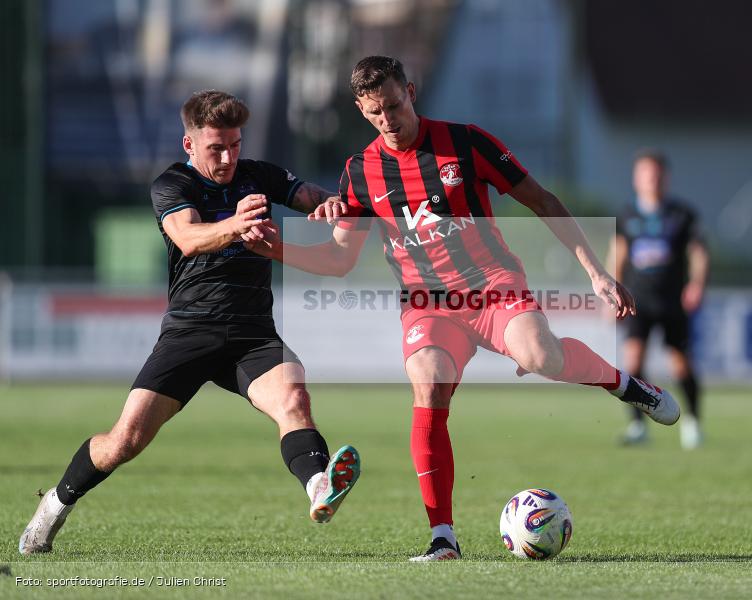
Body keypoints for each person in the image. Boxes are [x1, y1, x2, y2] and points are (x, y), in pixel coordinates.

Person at [243, 56, 679, 561]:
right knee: (427, 383)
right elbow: (340, 259)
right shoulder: (359, 171)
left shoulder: (466, 142)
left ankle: (627, 385)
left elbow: (541, 200)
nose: (388, 121)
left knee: (541, 356)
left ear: (410, 91)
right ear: (363, 113)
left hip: (491, 284)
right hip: (426, 303)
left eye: (393, 106)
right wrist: (277, 248)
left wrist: (597, 274)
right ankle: (442, 537)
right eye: (375, 114)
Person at [18, 90, 361, 555]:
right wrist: (237, 225)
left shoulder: (261, 175)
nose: (227, 157)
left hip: (251, 332)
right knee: (125, 441)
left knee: (294, 399)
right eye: (216, 147)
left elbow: (314, 197)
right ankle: (54, 507)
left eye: (235, 144)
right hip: (190, 331)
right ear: (189, 145)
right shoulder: (172, 184)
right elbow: (188, 237)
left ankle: (319, 486)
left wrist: (332, 206)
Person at [610, 150, 709, 449]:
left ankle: (692, 422)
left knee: (680, 364)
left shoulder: (682, 215)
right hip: (636, 300)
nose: (652, 179)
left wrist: (696, 284)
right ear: (636, 178)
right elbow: (618, 253)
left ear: (666, 178)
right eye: (646, 174)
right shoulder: (627, 215)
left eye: (657, 174)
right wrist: (611, 290)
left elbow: (698, 253)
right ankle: (638, 425)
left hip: (671, 301)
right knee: (633, 361)